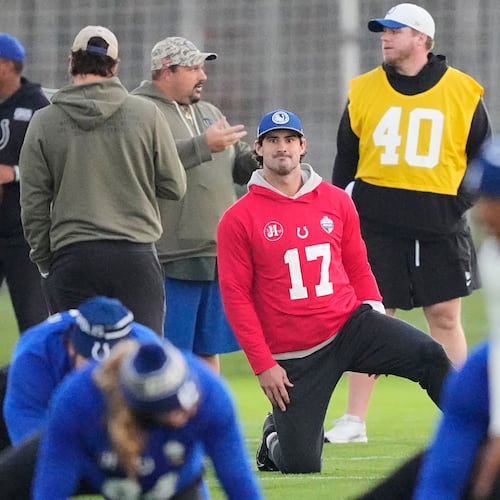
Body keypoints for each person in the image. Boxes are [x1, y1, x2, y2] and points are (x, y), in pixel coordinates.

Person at [216, 108, 452, 474]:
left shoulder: (336, 201)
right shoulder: (238, 218)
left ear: (303, 146)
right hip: (296, 352)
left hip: (350, 327)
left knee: (430, 355)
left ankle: (479, 435)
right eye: (273, 141)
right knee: (301, 464)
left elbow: (357, 265)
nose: (283, 148)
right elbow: (235, 297)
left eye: (290, 140)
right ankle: (273, 435)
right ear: (258, 149)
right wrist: (263, 365)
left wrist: (375, 318)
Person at [328, 2, 491, 444]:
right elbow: (346, 158)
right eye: (383, 31)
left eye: (394, 31)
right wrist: (339, 209)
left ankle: (464, 417)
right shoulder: (363, 89)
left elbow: (482, 156)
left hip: (440, 223)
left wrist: (459, 203)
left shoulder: (462, 91)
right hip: (377, 222)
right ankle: (354, 420)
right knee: (374, 316)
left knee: (445, 316)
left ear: (422, 38)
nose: (385, 37)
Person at [355, 137, 500, 500]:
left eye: (491, 200)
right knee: (460, 402)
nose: (482, 212)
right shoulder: (493, 253)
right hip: (489, 371)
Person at [19, 25, 187, 335]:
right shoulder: (146, 114)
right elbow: (175, 185)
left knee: (77, 363)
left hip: (72, 256)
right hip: (134, 255)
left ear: (71, 61)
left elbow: (33, 202)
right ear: (115, 66)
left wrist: (46, 260)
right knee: (140, 362)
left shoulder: (44, 121)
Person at [132, 36, 258, 372]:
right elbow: (142, 165)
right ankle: (163, 421)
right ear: (165, 71)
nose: (203, 75)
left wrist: (260, 156)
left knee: (207, 351)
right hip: (169, 256)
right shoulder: (138, 111)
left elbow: (236, 167)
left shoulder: (209, 112)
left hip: (216, 255)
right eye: (193, 68)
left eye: (202, 67)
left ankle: (205, 419)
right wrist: (202, 145)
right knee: (167, 353)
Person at [32, 340, 263, 499]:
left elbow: (237, 479)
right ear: (143, 409)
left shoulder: (210, 395)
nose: (188, 410)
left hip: (176, 483)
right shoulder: (78, 400)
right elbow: (52, 485)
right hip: (93, 468)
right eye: (175, 407)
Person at [0, 295, 162, 499]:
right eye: (91, 362)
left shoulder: (149, 353)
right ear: (71, 346)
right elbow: (38, 459)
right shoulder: (33, 355)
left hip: (114, 418)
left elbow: (181, 460)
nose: (101, 375)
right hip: (38, 409)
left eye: (112, 366)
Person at [0, 33, 49, 334]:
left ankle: (34, 380)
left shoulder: (38, 107)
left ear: (6, 66)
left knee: (33, 320)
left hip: (22, 233)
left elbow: (53, 164)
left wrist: (14, 173)